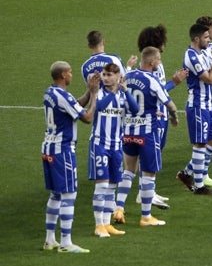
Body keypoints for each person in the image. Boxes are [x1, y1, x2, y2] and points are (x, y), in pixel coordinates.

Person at [114, 47, 179, 227]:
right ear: (151, 62)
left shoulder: (128, 75)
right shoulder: (152, 80)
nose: (159, 63)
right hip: (147, 134)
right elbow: (170, 104)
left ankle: (119, 207)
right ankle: (146, 216)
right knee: (149, 173)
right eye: (158, 60)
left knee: (128, 170)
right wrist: (174, 117)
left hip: (128, 133)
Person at [42, 61, 99, 253]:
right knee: (68, 194)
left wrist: (88, 92)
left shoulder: (50, 93)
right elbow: (87, 118)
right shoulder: (63, 96)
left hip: (48, 148)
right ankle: (66, 243)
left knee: (56, 194)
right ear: (64, 75)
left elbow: (73, 105)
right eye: (70, 72)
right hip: (62, 150)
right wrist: (95, 96)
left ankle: (50, 240)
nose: (72, 75)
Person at [132, 25, 188, 208]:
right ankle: (144, 193)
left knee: (157, 151)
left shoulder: (155, 63)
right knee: (150, 153)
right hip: (154, 114)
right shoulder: (153, 65)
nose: (165, 44)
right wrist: (175, 82)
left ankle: (149, 191)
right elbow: (158, 90)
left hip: (160, 113)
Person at [176, 23, 212, 195]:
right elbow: (209, 79)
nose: (208, 39)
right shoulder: (191, 56)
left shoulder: (204, 52)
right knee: (200, 144)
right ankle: (199, 186)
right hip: (198, 107)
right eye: (205, 37)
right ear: (196, 39)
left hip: (210, 106)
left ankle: (186, 173)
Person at [89, 63, 138, 238]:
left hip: (116, 146)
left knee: (112, 186)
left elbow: (135, 109)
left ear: (118, 76)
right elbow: (100, 107)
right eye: (104, 74)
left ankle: (107, 223)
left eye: (110, 75)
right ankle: (98, 225)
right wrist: (114, 91)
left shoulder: (122, 95)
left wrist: (124, 91)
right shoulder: (98, 92)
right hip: (100, 144)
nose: (106, 77)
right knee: (102, 184)